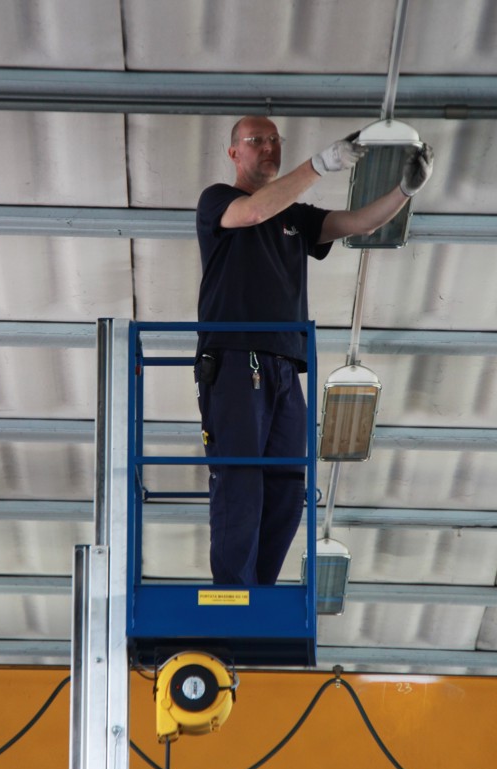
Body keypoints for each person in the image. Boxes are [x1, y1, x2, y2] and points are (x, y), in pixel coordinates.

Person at [195, 115, 433, 586]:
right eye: (256, 140)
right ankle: (234, 594)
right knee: (241, 477)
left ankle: (259, 592)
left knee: (288, 486)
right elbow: (252, 213)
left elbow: (359, 223)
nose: (269, 146)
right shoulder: (217, 200)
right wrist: (320, 164)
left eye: (274, 139)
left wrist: (404, 191)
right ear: (234, 153)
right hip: (236, 361)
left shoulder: (295, 217)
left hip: (286, 367)